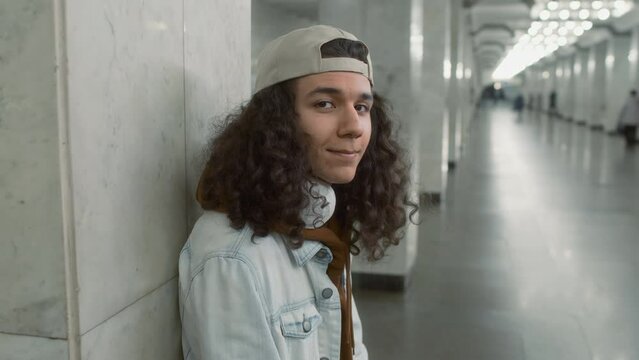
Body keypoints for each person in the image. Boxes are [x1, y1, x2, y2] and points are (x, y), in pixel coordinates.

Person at [178, 25, 414, 360]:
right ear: (277, 121)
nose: (354, 127)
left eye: (362, 107)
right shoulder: (234, 258)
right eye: (325, 103)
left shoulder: (322, 224)